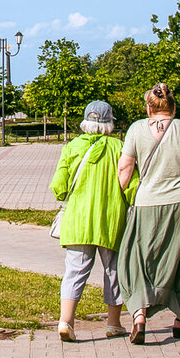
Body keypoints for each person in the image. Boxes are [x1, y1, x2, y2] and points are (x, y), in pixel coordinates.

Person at [117, 83, 180, 345]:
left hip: (147, 204)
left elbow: (125, 169)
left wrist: (119, 194)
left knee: (138, 257)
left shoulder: (137, 128)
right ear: (173, 106)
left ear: (149, 107)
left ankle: (139, 314)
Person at [49, 100, 135, 341]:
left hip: (78, 221)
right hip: (111, 220)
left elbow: (58, 187)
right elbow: (130, 184)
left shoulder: (72, 147)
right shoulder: (120, 147)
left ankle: (66, 321)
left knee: (75, 270)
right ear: (110, 123)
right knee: (114, 271)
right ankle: (113, 323)